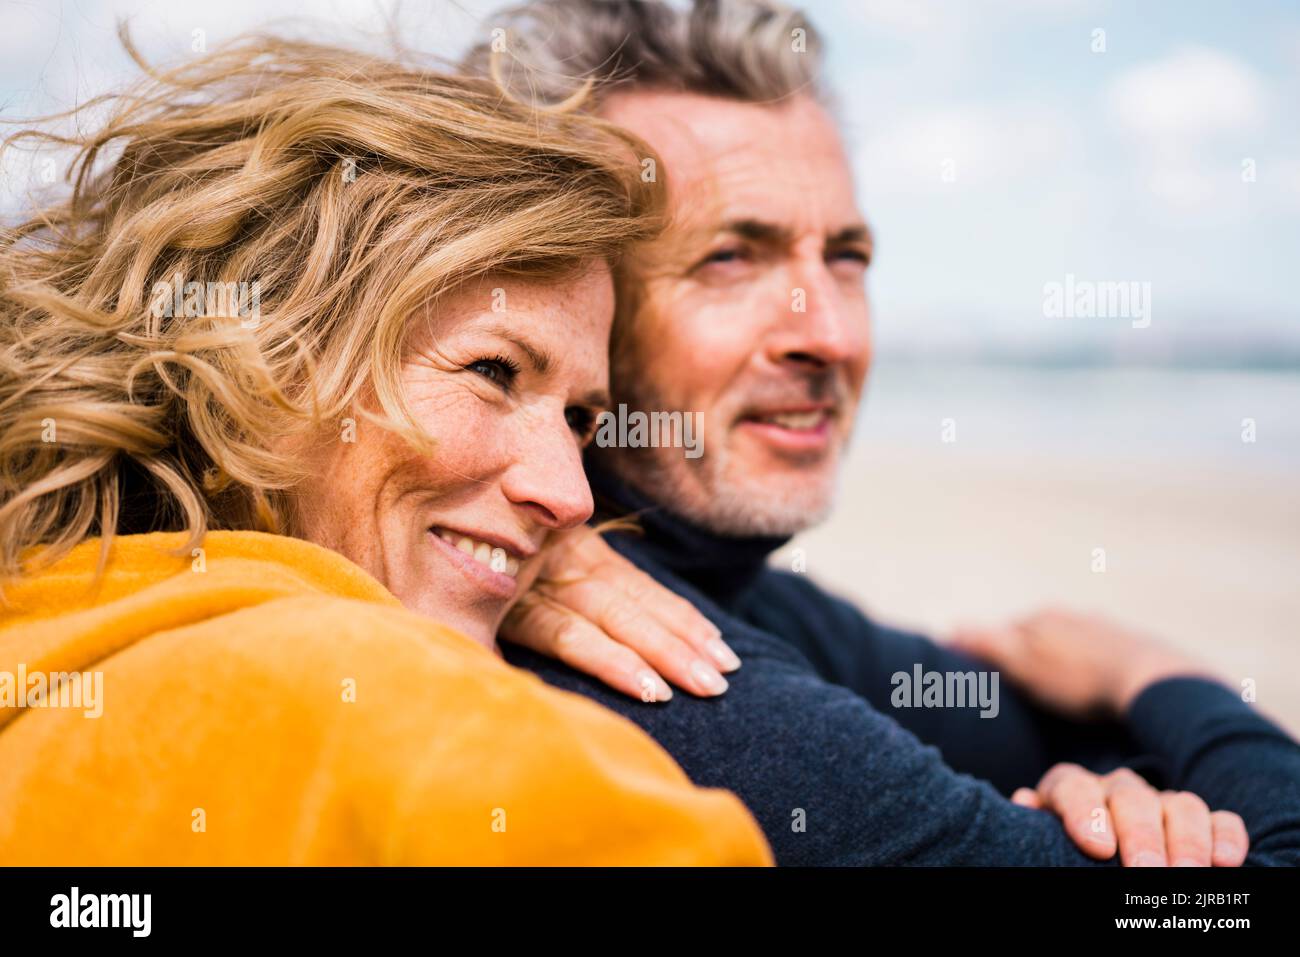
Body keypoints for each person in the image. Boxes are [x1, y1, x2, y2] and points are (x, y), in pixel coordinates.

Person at [465, 0, 1300, 865]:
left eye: (845, 257)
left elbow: (1025, 731)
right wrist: (1148, 669)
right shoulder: (662, 675)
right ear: (567, 297)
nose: (828, 334)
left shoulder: (749, 596)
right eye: (729, 258)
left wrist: (1114, 795)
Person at [0, 29, 770, 865]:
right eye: (493, 370)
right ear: (251, 363)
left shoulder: (49, 631)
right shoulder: (453, 753)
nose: (573, 497)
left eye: (581, 421)